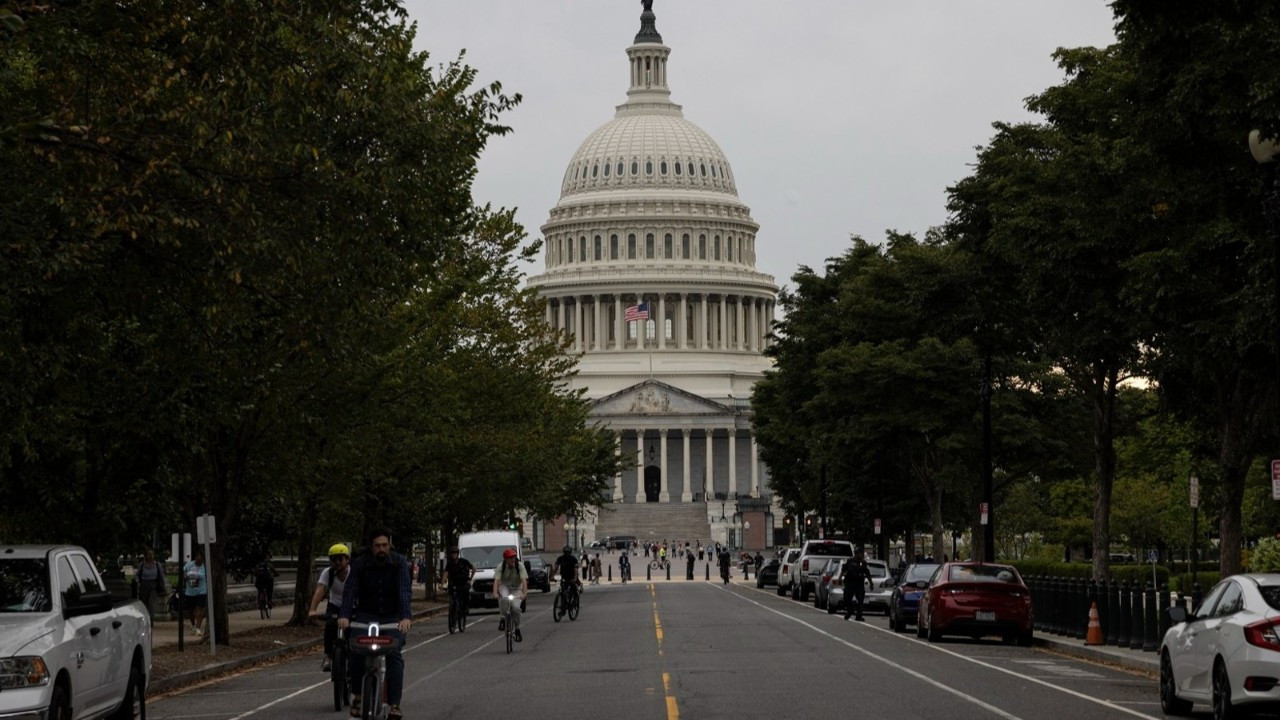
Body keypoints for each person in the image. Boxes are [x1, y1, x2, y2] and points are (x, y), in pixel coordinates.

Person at [339, 528, 412, 720]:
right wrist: (345, 615)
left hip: (392, 617)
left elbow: (404, 590)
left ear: (390, 545)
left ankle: (394, 704)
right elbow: (350, 590)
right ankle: (357, 696)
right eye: (377, 546)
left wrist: (405, 617)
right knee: (356, 651)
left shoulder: (399, 562)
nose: (381, 549)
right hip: (365, 615)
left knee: (394, 655)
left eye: (384, 545)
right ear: (371, 547)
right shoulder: (360, 563)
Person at [308, 543, 352, 672]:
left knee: (354, 629)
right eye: (333, 559)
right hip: (334, 605)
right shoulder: (328, 573)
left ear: (347, 559)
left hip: (352, 606)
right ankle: (329, 656)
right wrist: (312, 610)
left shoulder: (354, 572)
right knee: (330, 626)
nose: (337, 562)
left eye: (340, 559)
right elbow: (320, 590)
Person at [492, 548, 528, 641]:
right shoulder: (501, 566)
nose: (512, 559)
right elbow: (496, 581)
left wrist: (524, 593)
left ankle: (517, 629)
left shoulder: (520, 566)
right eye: (510, 558)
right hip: (504, 586)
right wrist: (495, 593)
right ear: (505, 559)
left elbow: (524, 581)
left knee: (516, 608)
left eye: (514, 557)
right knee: (503, 598)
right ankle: (503, 618)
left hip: (516, 588)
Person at [440, 546, 475, 620]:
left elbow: (473, 568)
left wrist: (470, 579)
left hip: (464, 582)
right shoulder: (449, 564)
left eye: (455, 553)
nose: (453, 555)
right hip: (454, 583)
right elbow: (445, 574)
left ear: (458, 554)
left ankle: (465, 608)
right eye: (452, 553)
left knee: (465, 593)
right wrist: (442, 585)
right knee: (451, 594)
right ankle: (453, 609)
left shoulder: (464, 562)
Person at [132, 549, 166, 618]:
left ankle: (150, 619)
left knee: (151, 603)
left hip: (153, 586)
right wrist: (138, 581)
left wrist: (163, 585)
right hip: (144, 586)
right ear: (146, 556)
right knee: (144, 604)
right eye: (149, 554)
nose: (151, 556)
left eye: (152, 554)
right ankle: (145, 618)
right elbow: (136, 575)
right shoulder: (142, 565)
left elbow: (161, 576)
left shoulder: (157, 565)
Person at [842, 548, 873, 621]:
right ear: (857, 553)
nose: (862, 555)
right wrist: (840, 578)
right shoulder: (850, 561)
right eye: (860, 553)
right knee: (847, 599)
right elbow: (844, 570)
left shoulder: (863, 563)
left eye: (862, 553)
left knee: (860, 600)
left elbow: (867, 573)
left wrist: (871, 583)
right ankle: (849, 611)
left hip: (859, 584)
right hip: (850, 583)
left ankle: (859, 616)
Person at [550, 545, 581, 617]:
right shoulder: (560, 559)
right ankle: (563, 609)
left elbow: (576, 570)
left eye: (568, 552)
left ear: (570, 552)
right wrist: (552, 576)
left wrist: (575, 578)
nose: (567, 554)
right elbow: (555, 568)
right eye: (565, 552)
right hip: (564, 577)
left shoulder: (573, 559)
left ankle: (574, 601)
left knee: (574, 589)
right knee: (563, 592)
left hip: (572, 577)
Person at [183, 550, 208, 636]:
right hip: (190, 592)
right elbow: (184, 572)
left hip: (201, 591)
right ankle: (193, 625)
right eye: (198, 558)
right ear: (195, 557)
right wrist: (186, 575)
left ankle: (198, 628)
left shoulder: (204, 566)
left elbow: (202, 575)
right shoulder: (189, 565)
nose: (199, 560)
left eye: (201, 559)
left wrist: (192, 574)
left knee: (200, 609)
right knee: (190, 610)